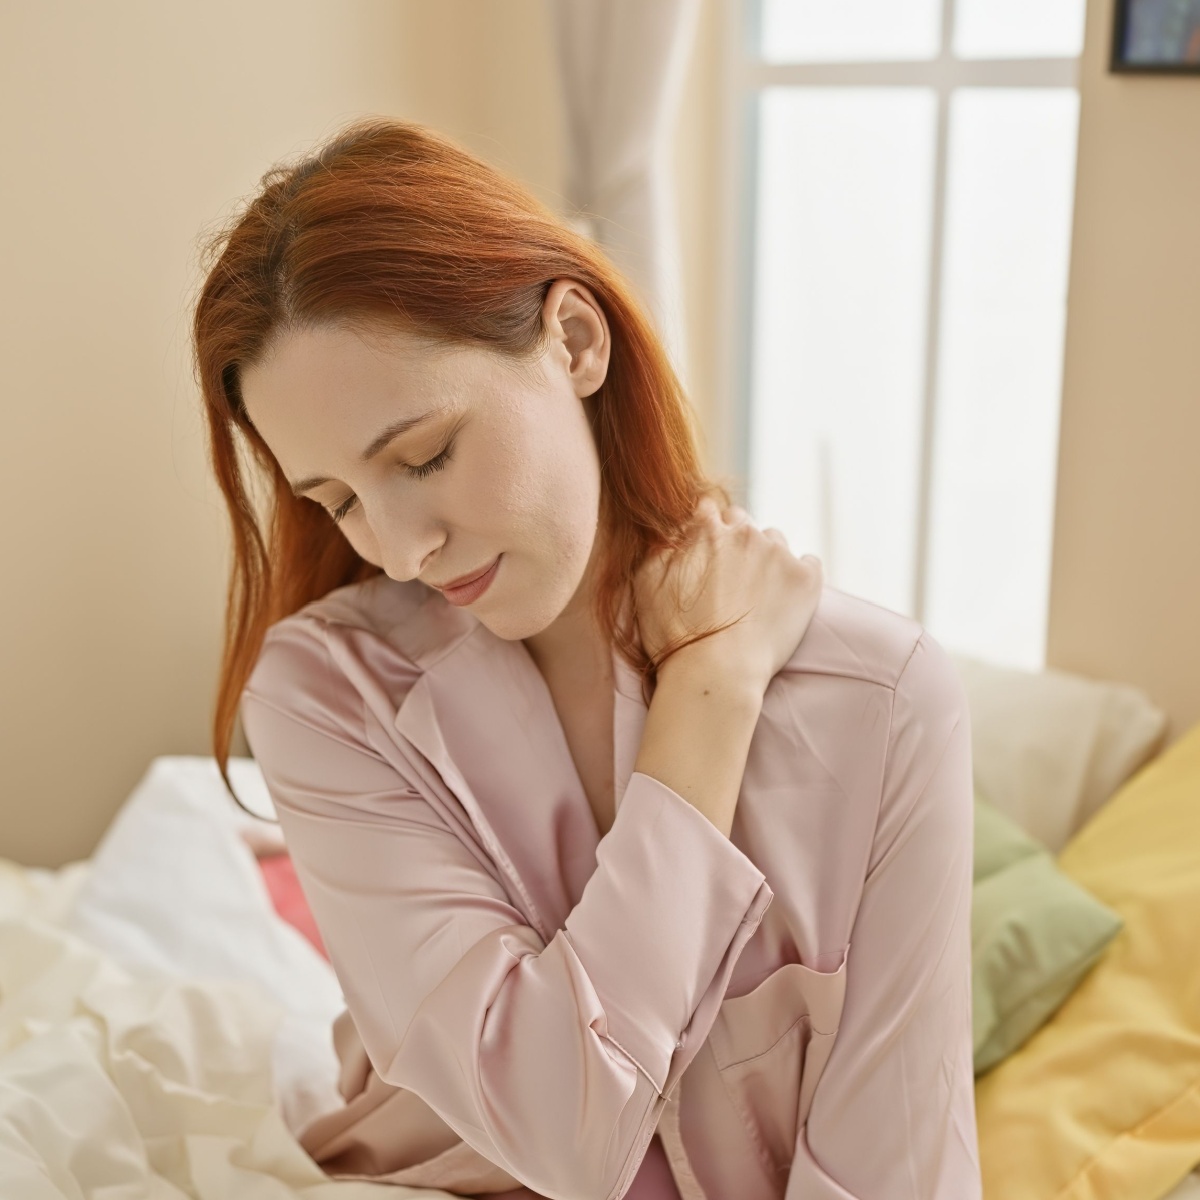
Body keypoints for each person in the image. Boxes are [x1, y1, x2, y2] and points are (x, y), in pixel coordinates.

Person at [193, 118, 982, 1200]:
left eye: (424, 456)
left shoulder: (882, 701)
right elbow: (562, 1133)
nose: (402, 549)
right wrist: (706, 698)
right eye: (336, 502)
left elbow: (891, 1175)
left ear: (574, 342)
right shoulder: (328, 692)